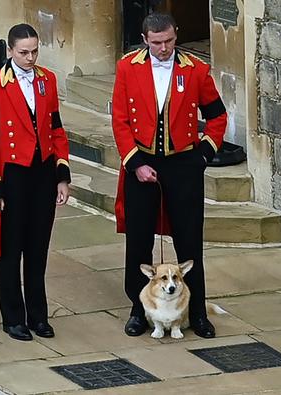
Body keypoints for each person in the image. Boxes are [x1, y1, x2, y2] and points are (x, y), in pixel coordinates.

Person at [112, 13, 228, 339]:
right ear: (145, 39)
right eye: (157, 43)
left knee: (189, 242)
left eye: (169, 41)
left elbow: (218, 116)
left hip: (182, 166)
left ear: (176, 35)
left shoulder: (195, 69)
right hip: (142, 164)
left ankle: (197, 313)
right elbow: (120, 120)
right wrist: (135, 163)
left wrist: (203, 154)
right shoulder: (127, 68)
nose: (164, 49)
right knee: (139, 243)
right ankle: (139, 310)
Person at [0, 23, 71, 341]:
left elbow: (56, 127)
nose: (30, 58)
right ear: (10, 51)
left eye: (34, 51)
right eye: (23, 52)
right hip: (11, 175)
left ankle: (38, 315)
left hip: (42, 172)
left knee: (37, 248)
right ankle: (13, 317)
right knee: (10, 250)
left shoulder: (48, 80)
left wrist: (62, 175)